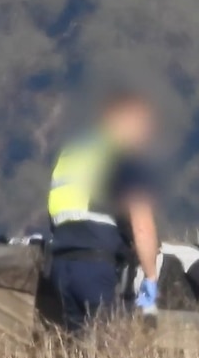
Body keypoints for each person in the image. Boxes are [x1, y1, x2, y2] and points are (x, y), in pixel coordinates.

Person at [47, 89, 161, 333]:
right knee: (105, 352)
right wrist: (151, 280)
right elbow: (142, 225)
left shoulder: (73, 152)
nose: (145, 134)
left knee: (75, 354)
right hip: (96, 268)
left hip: (60, 266)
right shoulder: (122, 158)